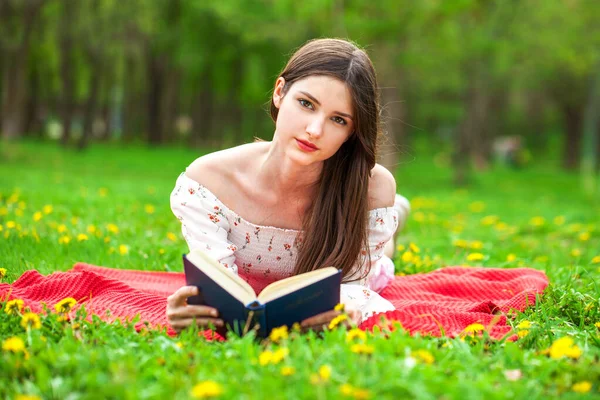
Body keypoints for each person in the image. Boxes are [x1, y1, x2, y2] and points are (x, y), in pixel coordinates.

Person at [166, 38, 410, 334]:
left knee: (383, 265)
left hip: (363, 246)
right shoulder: (209, 181)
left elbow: (354, 286)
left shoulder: (372, 188)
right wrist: (194, 308)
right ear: (280, 92)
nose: (314, 130)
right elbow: (217, 285)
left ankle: (396, 215)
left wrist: (346, 309)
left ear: (352, 132)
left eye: (338, 120)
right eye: (306, 104)